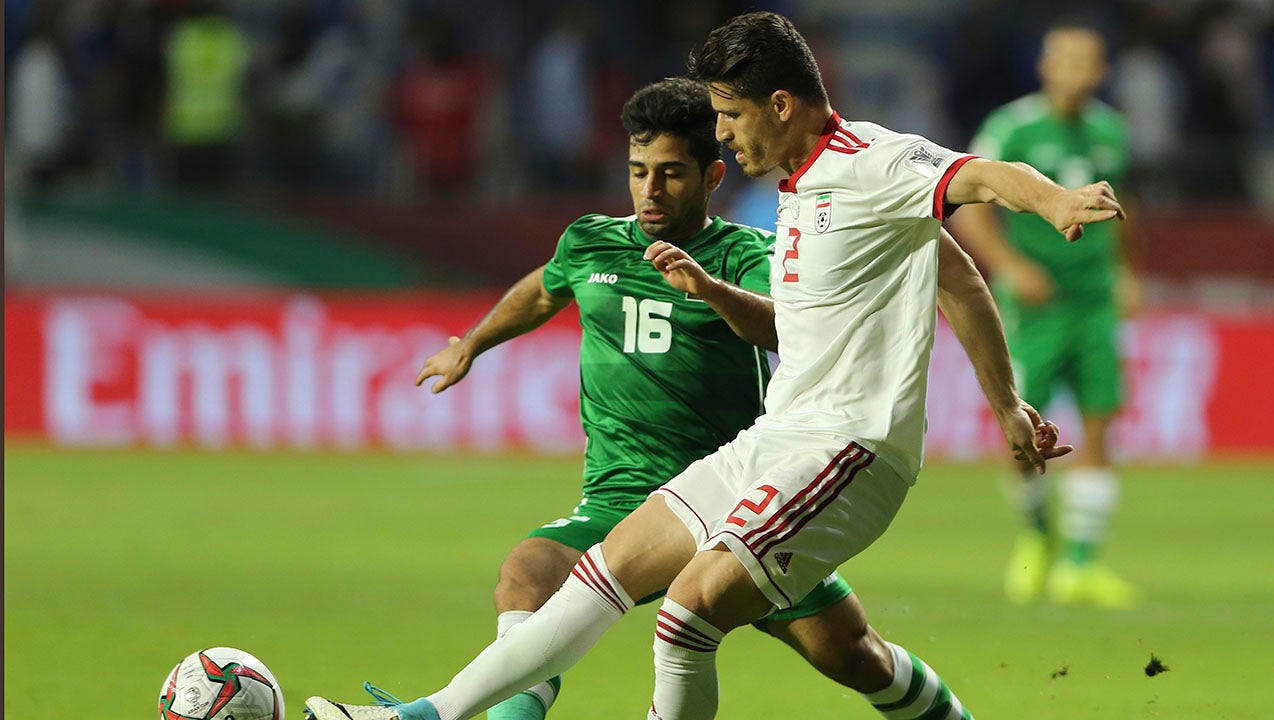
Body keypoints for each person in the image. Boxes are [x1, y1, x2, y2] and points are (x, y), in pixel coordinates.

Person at [306, 11, 1118, 720]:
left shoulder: (869, 161)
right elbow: (957, 275)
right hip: (776, 439)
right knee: (599, 576)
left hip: (851, 447)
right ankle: (424, 715)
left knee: (687, 612)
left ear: (780, 105)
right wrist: (1006, 403)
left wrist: (1053, 200)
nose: (722, 132)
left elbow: (982, 177)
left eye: (730, 115)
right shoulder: (798, 190)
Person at [407, 76, 885, 720]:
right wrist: (472, 343)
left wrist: (709, 289)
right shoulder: (590, 241)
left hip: (734, 505)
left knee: (856, 658)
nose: (650, 190)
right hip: (618, 501)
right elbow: (544, 290)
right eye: (638, 172)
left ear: (713, 176)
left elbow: (785, 325)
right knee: (527, 575)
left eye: (671, 173)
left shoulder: (746, 253)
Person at [949, 20, 1140, 609]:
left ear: (1101, 71)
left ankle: (1080, 563)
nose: (1077, 72)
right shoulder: (1013, 129)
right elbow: (970, 208)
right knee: (1023, 429)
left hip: (1094, 301)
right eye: (1066, 60)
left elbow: (1123, 210)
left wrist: (1125, 270)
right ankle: (1037, 540)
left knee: (1100, 419)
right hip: (1035, 307)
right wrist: (1010, 267)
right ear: (1046, 66)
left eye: (1087, 62)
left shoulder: (1111, 131)